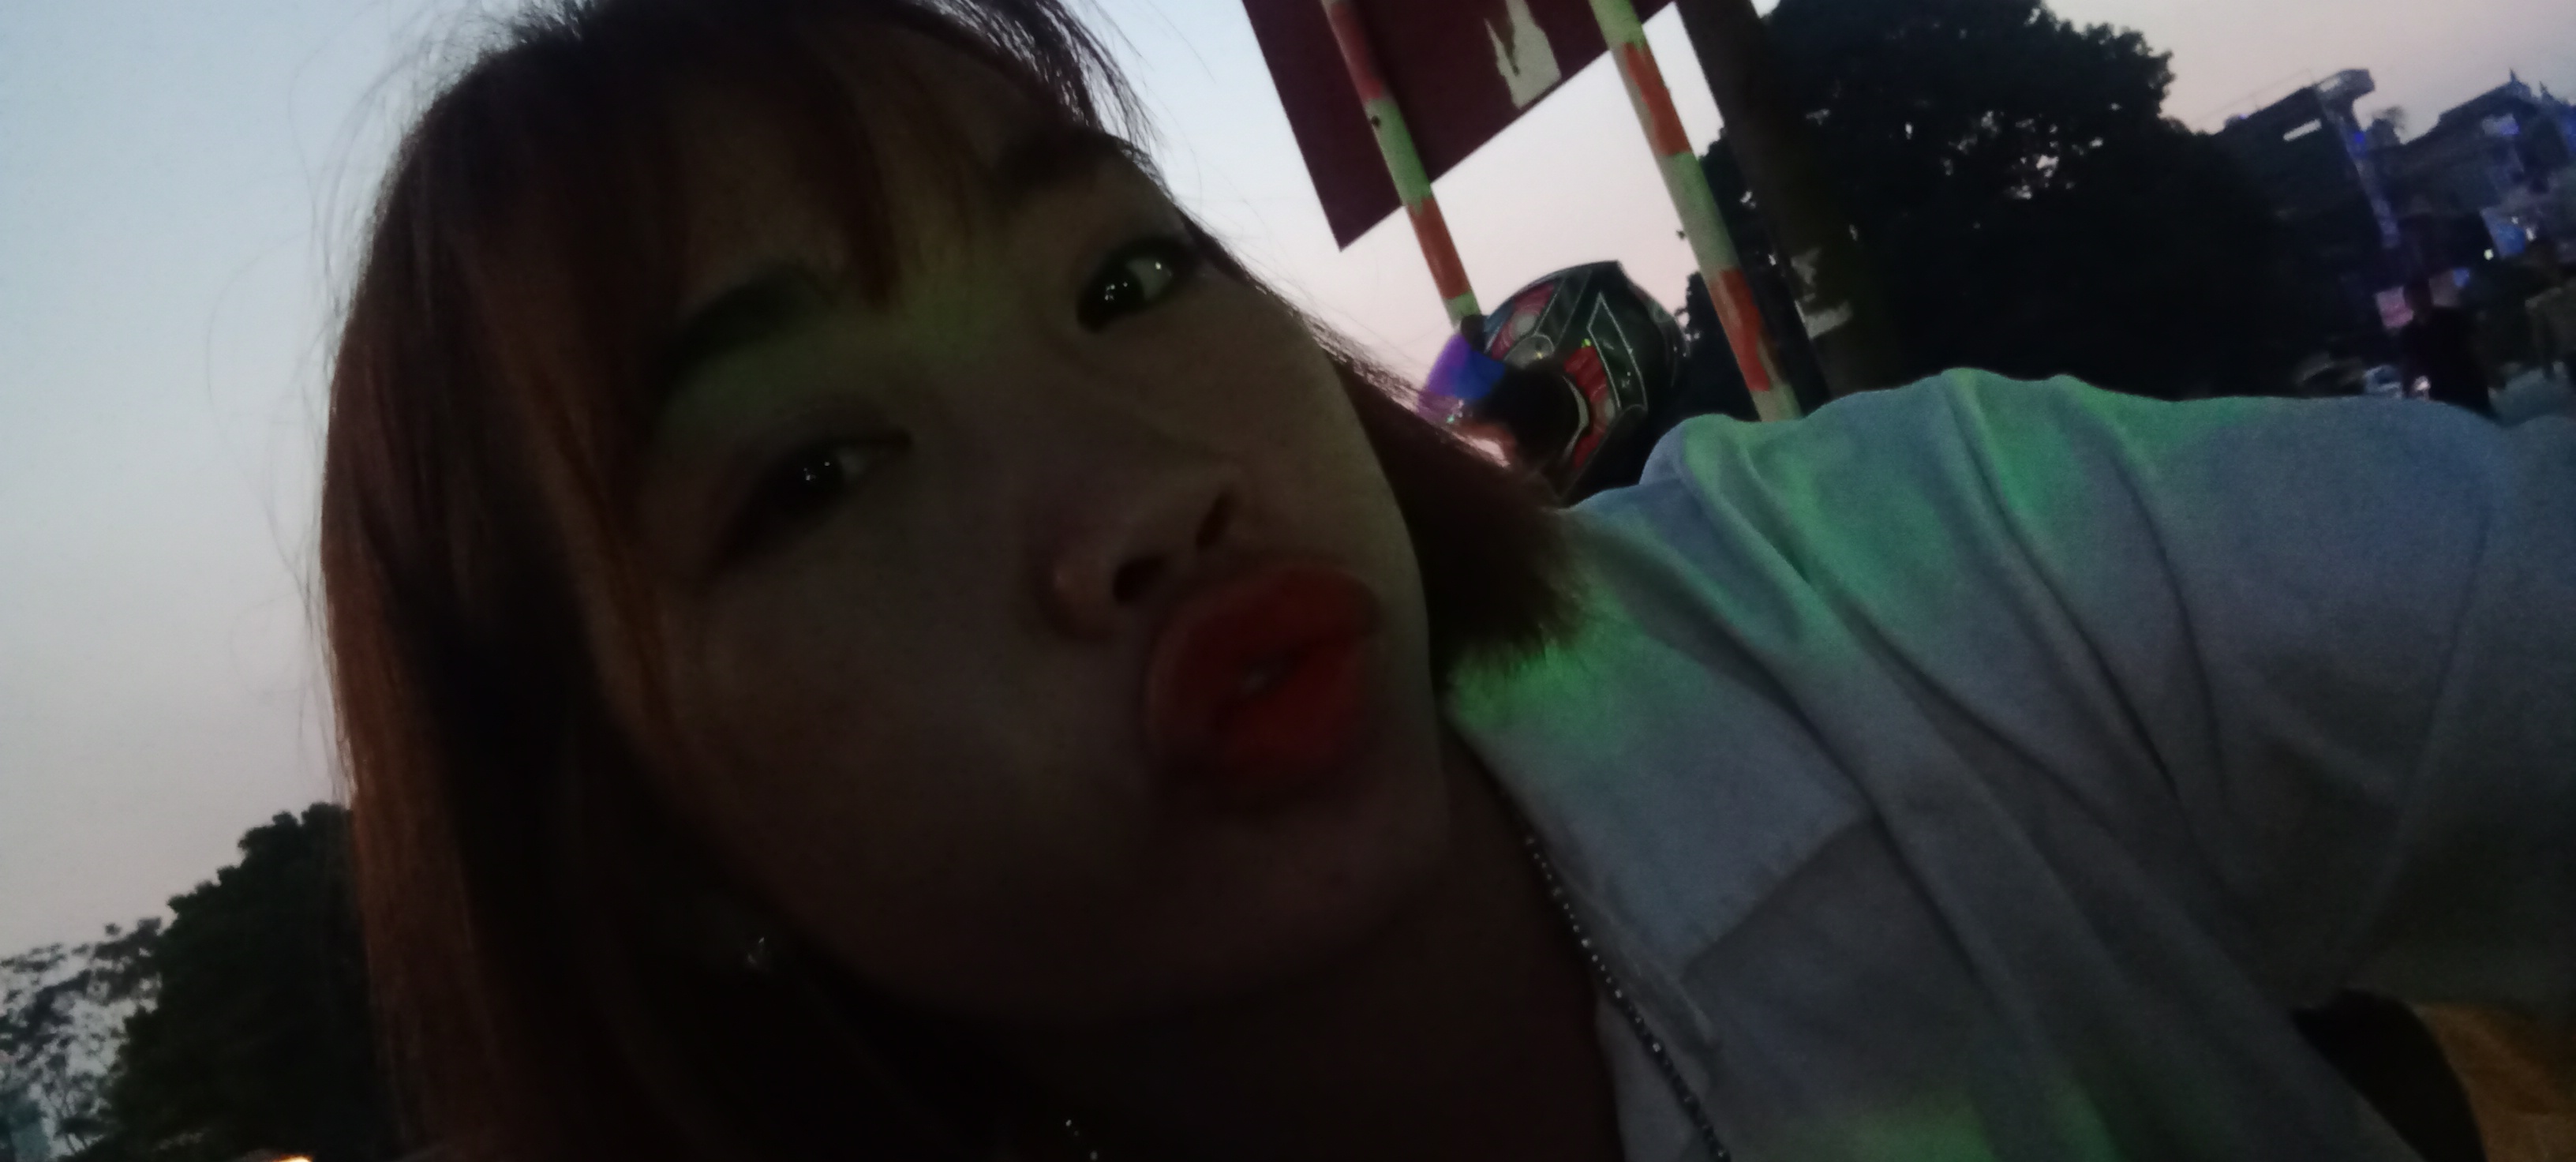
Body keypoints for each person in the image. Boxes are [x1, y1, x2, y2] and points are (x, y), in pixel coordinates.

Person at [318, 2, 2575, 1161]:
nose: (1147, 494)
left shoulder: (1918, 602)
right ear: (647, 850)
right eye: (816, 473)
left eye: (1122, 280)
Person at [2398, 278, 2498, 417]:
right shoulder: (2409, 334)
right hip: (2441, 390)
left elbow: (2476, 346)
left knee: (2483, 419)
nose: (2419, 301)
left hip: (2469, 382)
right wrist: (2406, 391)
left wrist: (2490, 372)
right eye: (2414, 298)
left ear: (2429, 295)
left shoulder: (2452, 319)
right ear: (2407, 303)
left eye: (2421, 295)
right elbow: (2408, 364)